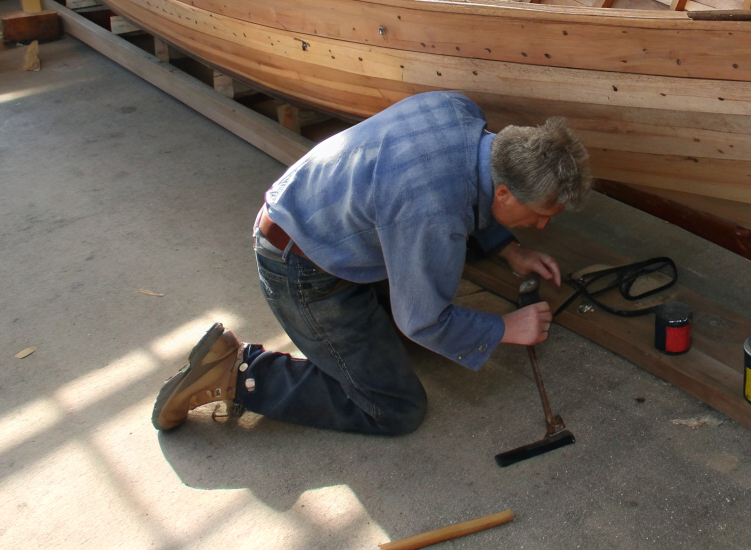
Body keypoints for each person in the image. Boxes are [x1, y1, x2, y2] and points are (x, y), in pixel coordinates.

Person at [152, 90, 592, 434]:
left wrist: (509, 248)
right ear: (505, 193)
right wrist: (504, 328)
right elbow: (422, 320)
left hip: (316, 216)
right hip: (301, 269)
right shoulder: (433, 212)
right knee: (394, 406)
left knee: (423, 342)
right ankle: (238, 372)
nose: (540, 225)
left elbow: (471, 189)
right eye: (540, 215)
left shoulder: (460, 111)